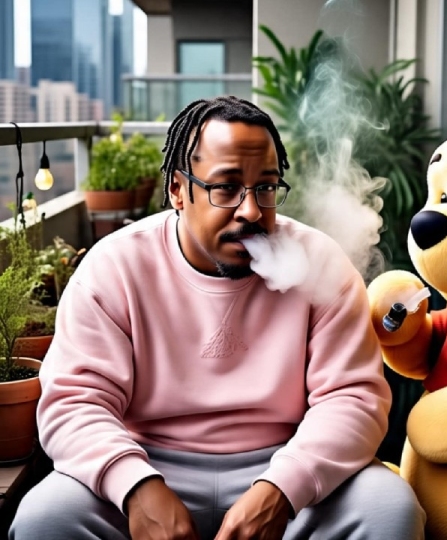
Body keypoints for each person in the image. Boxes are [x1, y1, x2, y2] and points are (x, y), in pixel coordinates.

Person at [10, 96, 425, 540]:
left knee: (389, 510)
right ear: (177, 190)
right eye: (226, 187)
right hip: (145, 462)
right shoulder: (115, 266)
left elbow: (353, 399)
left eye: (266, 188)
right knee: (44, 519)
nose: (251, 211)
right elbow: (74, 401)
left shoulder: (320, 262)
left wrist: (282, 488)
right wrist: (135, 487)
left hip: (290, 463)